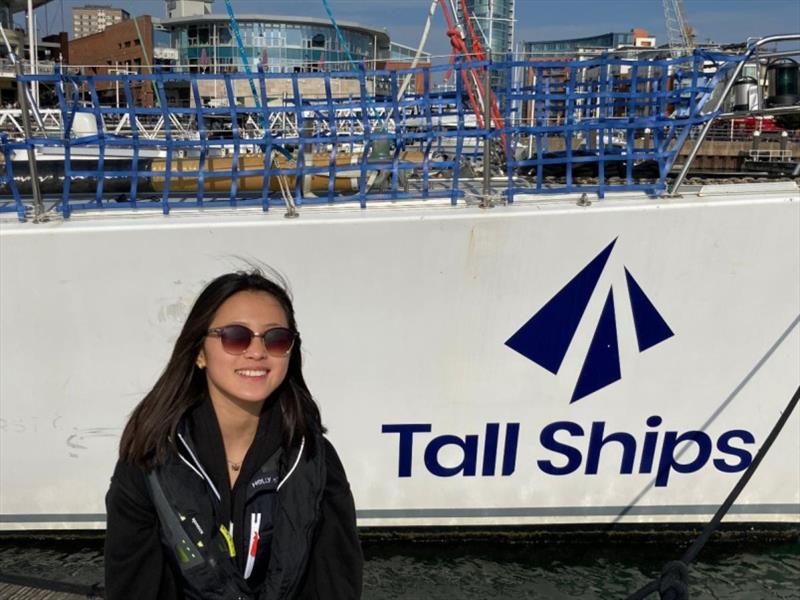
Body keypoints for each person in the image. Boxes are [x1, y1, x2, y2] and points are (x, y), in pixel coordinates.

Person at [104, 270, 363, 599]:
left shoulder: (314, 457)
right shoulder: (147, 460)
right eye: (235, 336)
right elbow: (134, 586)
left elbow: (335, 582)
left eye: (276, 339)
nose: (256, 352)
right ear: (200, 352)